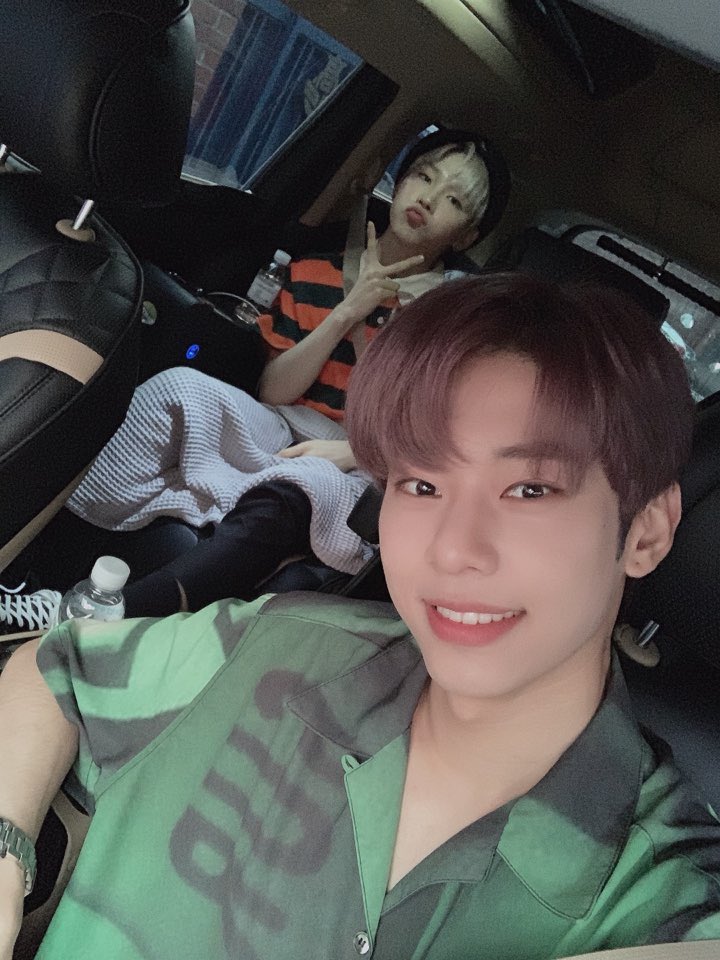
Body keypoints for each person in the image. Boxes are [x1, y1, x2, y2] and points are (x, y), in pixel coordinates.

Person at [2, 271, 720, 960]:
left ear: (646, 531)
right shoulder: (279, 641)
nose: (453, 550)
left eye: (531, 489)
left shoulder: (661, 885)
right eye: (421, 483)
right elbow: (54, 670)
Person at [0, 128, 510, 633]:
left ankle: (100, 612)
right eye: (424, 176)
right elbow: (274, 393)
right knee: (180, 388)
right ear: (399, 183)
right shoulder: (314, 273)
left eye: (454, 200)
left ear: (466, 236)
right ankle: (22, 561)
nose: (428, 197)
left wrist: (358, 452)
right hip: (282, 422)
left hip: (371, 458)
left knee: (307, 482)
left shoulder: (453, 323)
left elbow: (437, 435)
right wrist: (348, 311)